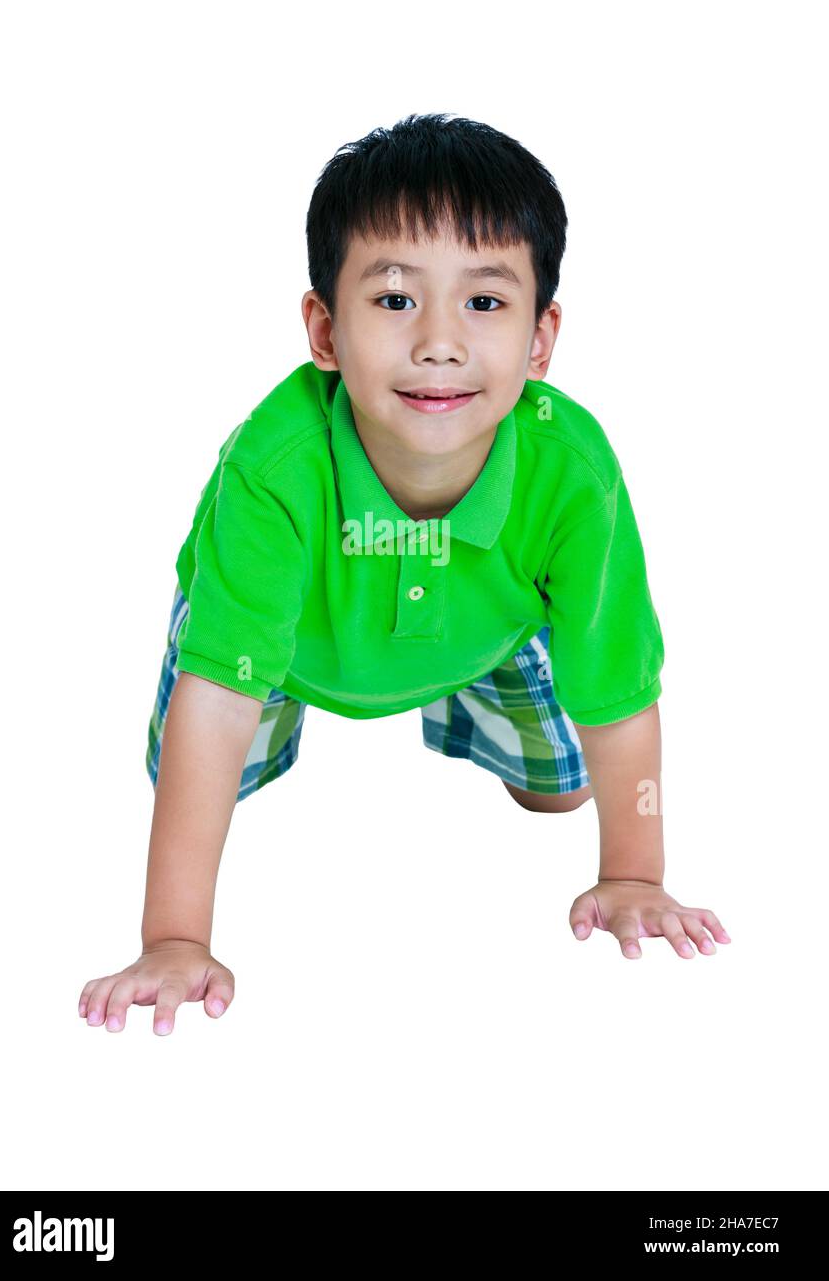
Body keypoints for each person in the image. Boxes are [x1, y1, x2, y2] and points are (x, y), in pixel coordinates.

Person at [79, 112, 730, 1036]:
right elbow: (220, 697)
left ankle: (481, 722)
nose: (438, 343)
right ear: (325, 329)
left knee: (561, 794)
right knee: (203, 782)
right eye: (393, 301)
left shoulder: (573, 472)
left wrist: (635, 872)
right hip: (287, 646)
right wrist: (174, 937)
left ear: (541, 342)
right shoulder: (274, 471)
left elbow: (617, 686)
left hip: (487, 628)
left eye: (485, 303)